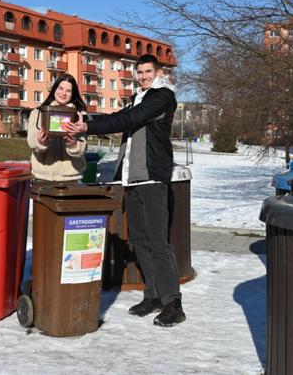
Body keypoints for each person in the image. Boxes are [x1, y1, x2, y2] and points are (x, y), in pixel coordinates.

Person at [63, 54, 183, 327]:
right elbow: (122, 117)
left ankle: (173, 303)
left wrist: (89, 126)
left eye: (148, 71)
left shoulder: (162, 97)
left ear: (158, 72)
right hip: (132, 178)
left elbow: (130, 119)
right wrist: (86, 122)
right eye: (139, 72)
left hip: (152, 177)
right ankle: (153, 295)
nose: (143, 76)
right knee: (139, 240)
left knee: (158, 242)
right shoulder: (139, 98)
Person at [26, 74, 88, 182]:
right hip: (42, 177)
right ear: (54, 89)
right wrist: (40, 142)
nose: (63, 93)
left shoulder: (80, 116)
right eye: (61, 88)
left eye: (68, 91)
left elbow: (83, 147)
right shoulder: (38, 113)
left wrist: (73, 144)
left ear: (73, 94)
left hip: (71, 179)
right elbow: (31, 141)